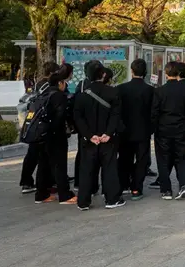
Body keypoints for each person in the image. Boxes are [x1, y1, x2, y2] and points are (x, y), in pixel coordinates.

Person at [73, 64, 124, 211]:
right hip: (107, 138)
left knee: (86, 169)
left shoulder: (82, 95)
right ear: (103, 74)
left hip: (89, 140)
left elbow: (78, 117)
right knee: (109, 168)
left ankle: (83, 201)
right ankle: (111, 199)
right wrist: (108, 133)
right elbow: (116, 115)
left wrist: (89, 135)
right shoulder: (112, 92)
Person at [152, 62, 185, 200]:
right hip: (180, 129)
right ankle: (183, 185)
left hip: (163, 130)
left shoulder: (159, 91)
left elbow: (154, 113)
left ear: (166, 74)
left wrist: (154, 129)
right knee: (182, 158)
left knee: (163, 159)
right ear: (178, 74)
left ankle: (166, 190)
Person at [34, 66, 77, 204]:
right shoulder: (59, 96)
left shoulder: (44, 94)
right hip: (56, 135)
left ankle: (41, 194)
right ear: (60, 83)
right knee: (59, 165)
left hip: (41, 134)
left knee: (43, 164)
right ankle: (65, 195)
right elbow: (60, 116)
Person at [19, 61, 60, 194]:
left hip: (34, 121)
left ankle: (27, 181)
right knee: (38, 154)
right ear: (54, 72)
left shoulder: (38, 83)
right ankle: (36, 182)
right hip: (41, 123)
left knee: (33, 153)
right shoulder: (48, 85)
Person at [117, 59, 154, 201]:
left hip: (125, 131)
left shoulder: (120, 89)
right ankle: (136, 188)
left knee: (124, 159)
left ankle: (123, 184)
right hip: (143, 131)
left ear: (131, 71)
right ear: (145, 72)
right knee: (141, 160)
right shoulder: (150, 90)